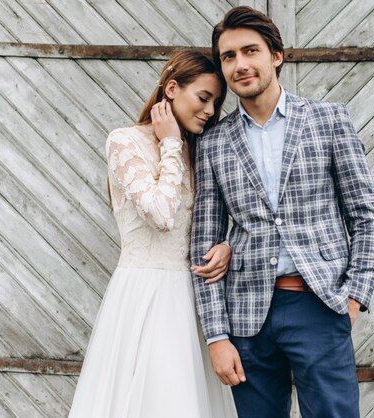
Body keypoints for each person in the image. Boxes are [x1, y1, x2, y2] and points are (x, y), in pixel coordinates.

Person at [190, 6, 374, 418]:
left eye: (250, 51)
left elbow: (366, 216)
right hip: (246, 320)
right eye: (229, 56)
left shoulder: (329, 120)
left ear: (275, 55)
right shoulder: (213, 143)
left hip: (319, 304)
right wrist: (216, 336)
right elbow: (203, 246)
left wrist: (354, 298)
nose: (240, 64)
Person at [69, 50, 237, 418]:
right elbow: (161, 214)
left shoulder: (201, 150)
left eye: (216, 103)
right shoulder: (124, 141)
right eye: (204, 98)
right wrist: (171, 144)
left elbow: (219, 218)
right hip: (144, 296)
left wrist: (227, 245)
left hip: (194, 301)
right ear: (172, 88)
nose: (210, 111)